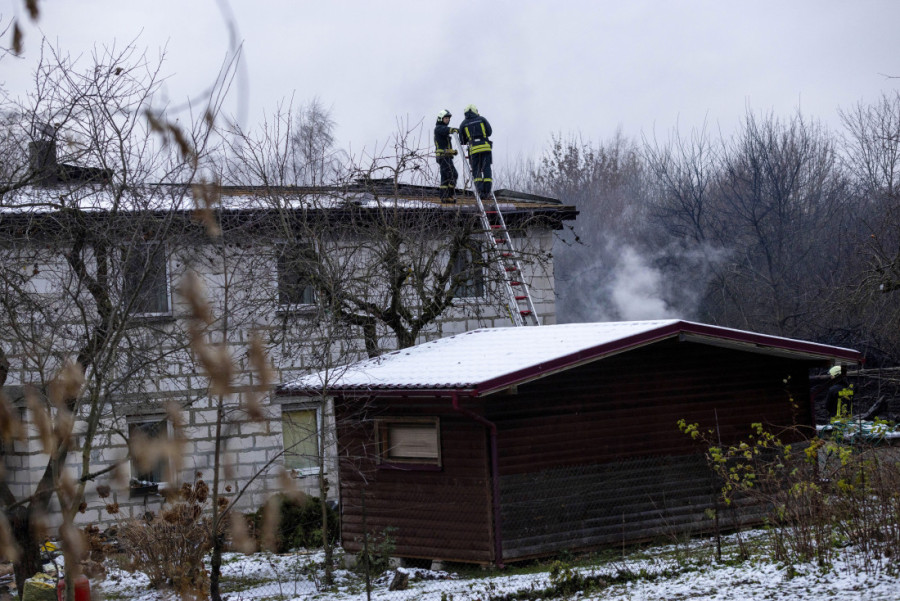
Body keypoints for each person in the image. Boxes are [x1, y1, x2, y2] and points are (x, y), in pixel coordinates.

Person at [458, 104, 493, 197]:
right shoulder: (482, 119)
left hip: (473, 150)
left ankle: (480, 192)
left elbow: (462, 140)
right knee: (486, 168)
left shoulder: (463, 124)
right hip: (485, 147)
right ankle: (487, 191)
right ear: (475, 111)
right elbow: (489, 132)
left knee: (476, 170)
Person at [434, 109, 458, 203]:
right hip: (443, 156)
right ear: (441, 118)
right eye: (446, 118)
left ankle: (445, 197)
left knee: (445, 177)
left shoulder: (442, 129)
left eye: (448, 118)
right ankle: (449, 195)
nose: (448, 120)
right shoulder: (439, 128)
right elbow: (446, 130)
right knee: (453, 175)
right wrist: (453, 130)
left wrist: (452, 152)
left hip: (445, 156)